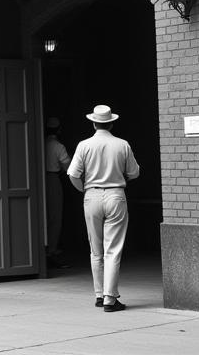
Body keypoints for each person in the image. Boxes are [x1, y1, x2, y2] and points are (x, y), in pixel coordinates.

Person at [67, 105, 140, 311]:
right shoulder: (122, 144)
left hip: (91, 195)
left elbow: (73, 174)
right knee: (113, 249)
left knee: (95, 250)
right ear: (112, 122)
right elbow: (134, 172)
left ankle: (99, 295)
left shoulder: (84, 145)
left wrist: (84, 190)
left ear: (93, 122)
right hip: (116, 195)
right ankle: (110, 298)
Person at [44, 116, 71, 268]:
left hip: (38, 180)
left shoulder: (39, 143)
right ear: (59, 130)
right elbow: (68, 168)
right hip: (52, 179)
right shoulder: (58, 146)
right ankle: (51, 251)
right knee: (55, 216)